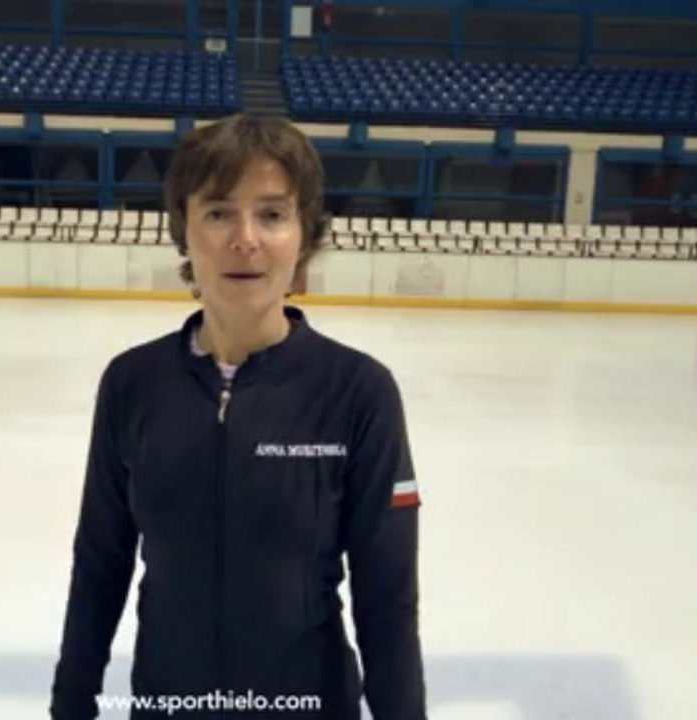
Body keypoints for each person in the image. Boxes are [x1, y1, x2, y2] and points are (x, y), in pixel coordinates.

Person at [50, 114, 427, 719]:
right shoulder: (132, 383)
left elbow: (388, 598)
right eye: (219, 212)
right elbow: (100, 565)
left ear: (304, 234)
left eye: (272, 214)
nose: (245, 238)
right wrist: (70, 708)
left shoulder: (358, 392)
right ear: (184, 230)